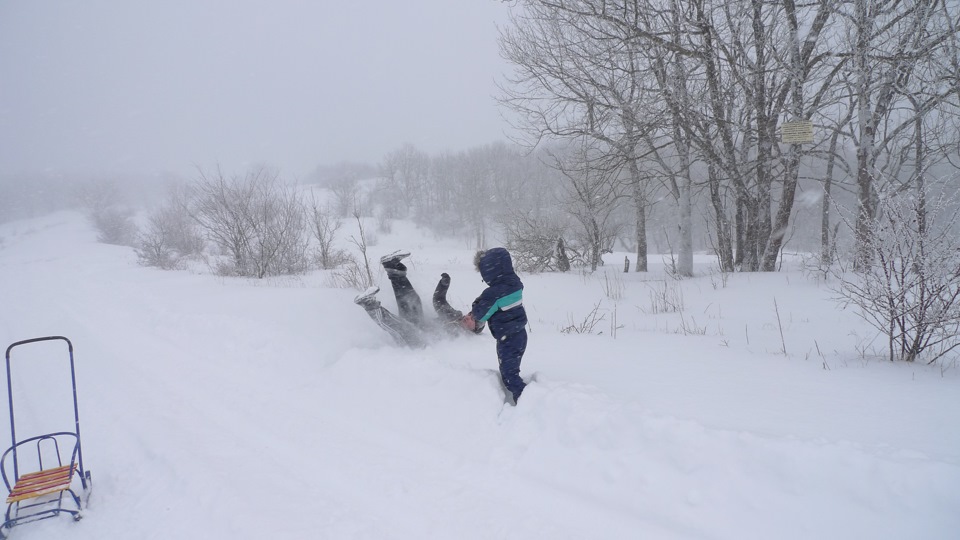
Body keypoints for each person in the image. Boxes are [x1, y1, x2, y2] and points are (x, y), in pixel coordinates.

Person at [354, 250, 480, 347]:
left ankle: (370, 305)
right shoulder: (454, 315)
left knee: (407, 329)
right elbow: (439, 300)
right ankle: (392, 268)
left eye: (472, 319)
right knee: (413, 302)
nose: (468, 317)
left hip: (419, 344)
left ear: (475, 329)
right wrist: (443, 285)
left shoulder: (464, 338)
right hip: (420, 327)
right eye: (470, 314)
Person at [466, 247, 528, 405]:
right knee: (511, 370)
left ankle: (526, 400)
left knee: (509, 375)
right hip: (519, 334)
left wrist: (476, 305)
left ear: (488, 271)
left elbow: (481, 314)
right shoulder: (515, 283)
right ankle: (523, 396)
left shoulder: (494, 293)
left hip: (508, 338)